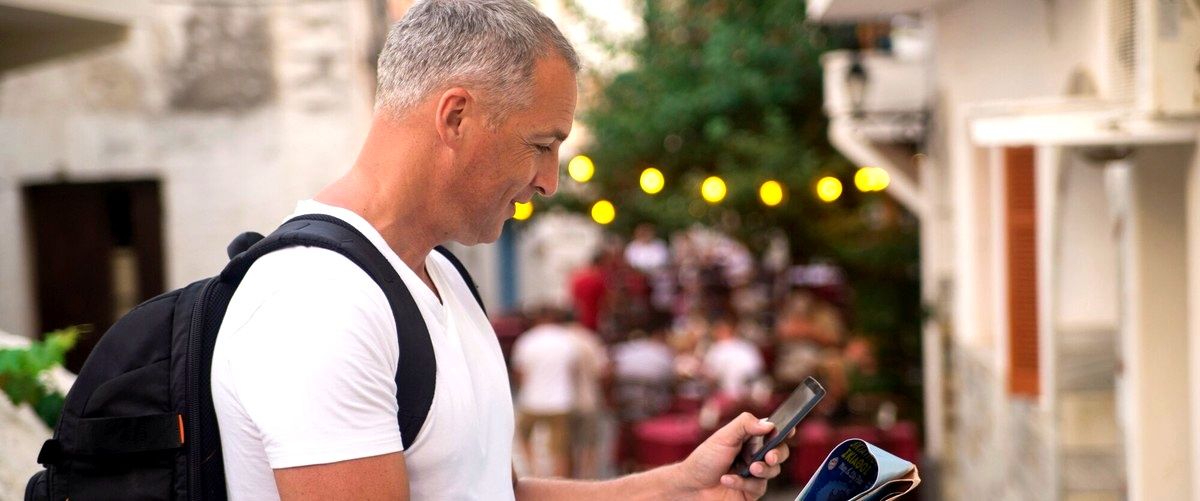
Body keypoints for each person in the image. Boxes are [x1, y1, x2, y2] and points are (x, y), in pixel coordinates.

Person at [210, 1, 790, 499]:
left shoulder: (440, 273)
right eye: (541, 144)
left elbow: (492, 490)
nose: (550, 181)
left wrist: (678, 486)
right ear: (456, 115)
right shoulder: (319, 303)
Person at [513, 307, 580, 478]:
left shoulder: (527, 340)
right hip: (560, 400)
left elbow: (519, 373)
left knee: (524, 436)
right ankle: (559, 481)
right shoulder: (566, 340)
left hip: (533, 399)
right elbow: (573, 370)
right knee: (559, 448)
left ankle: (533, 472)